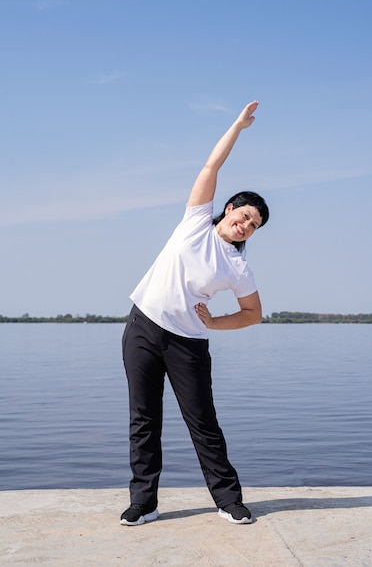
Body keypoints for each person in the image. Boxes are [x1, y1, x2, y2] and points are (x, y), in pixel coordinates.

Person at [120, 101, 269, 526]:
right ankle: (143, 502)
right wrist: (238, 126)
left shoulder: (237, 266)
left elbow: (254, 313)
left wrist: (216, 323)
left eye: (253, 225)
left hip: (188, 342)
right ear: (228, 211)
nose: (245, 225)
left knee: (204, 423)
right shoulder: (195, 222)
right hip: (144, 328)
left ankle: (228, 500)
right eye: (244, 216)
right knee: (143, 420)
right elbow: (210, 165)